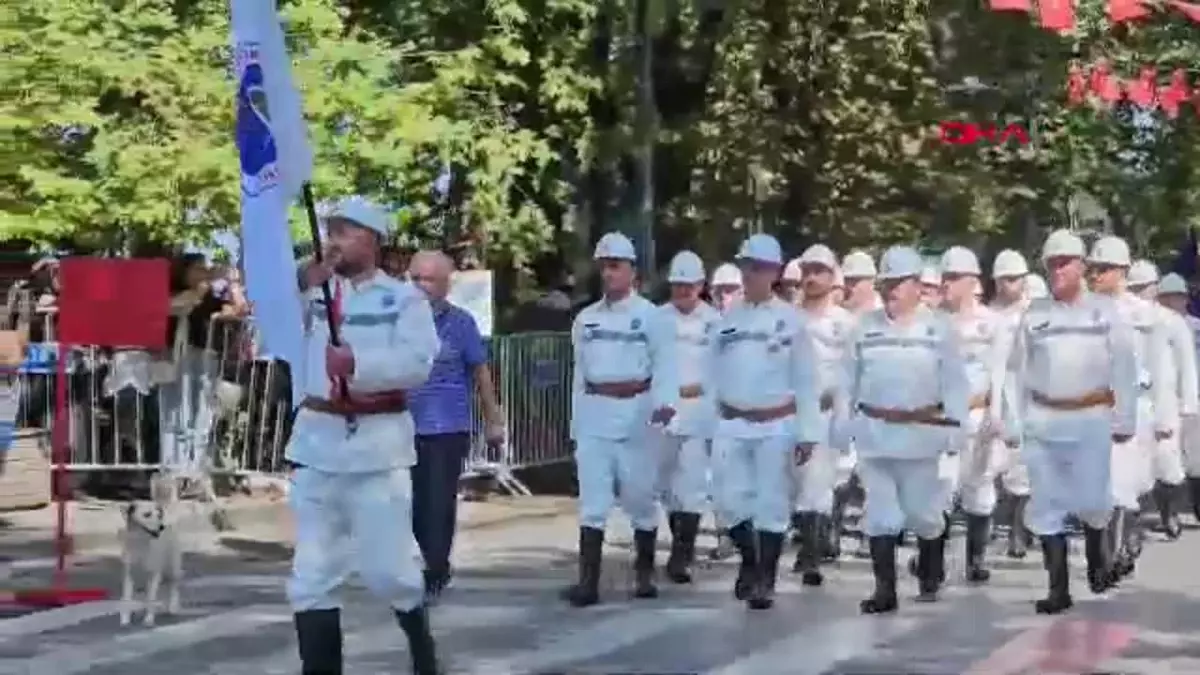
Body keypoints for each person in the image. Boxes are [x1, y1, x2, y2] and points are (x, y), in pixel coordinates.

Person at [291, 196, 441, 674]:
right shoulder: (313, 294)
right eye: (331, 229)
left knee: (390, 572)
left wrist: (360, 365)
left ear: (373, 240)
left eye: (347, 231)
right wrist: (300, 281)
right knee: (312, 574)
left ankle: (422, 652)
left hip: (378, 448)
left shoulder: (404, 298)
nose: (335, 240)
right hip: (317, 443)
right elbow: (271, 319)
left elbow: (418, 364)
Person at [1004, 229, 1138, 615]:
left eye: (1065, 262)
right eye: (1052, 263)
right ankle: (1057, 588)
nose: (1058, 269)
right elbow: (1017, 373)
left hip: (1091, 417)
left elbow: (1124, 367)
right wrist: (1015, 420)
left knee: (1094, 501)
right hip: (1045, 419)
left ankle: (1099, 565)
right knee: (1046, 505)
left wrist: (1124, 415)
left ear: (1081, 266)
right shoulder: (1035, 315)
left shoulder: (1105, 311)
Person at [837, 245, 968, 615]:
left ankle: (931, 566)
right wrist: (841, 426)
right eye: (887, 282)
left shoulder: (938, 328)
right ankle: (885, 590)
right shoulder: (864, 327)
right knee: (880, 516)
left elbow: (955, 383)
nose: (892, 290)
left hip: (921, 436)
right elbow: (847, 380)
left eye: (900, 282)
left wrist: (956, 427)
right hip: (875, 435)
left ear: (916, 286)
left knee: (922, 515)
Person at [564, 232, 677, 607]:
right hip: (596, 412)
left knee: (640, 495)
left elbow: (665, 367)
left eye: (616, 266)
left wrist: (664, 406)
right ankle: (588, 582)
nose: (609, 274)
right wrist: (575, 427)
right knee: (593, 500)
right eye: (604, 267)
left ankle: (644, 573)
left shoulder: (651, 317)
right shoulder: (586, 319)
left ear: (632, 270)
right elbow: (579, 375)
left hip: (637, 412)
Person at [709, 233, 822, 610]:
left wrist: (808, 432)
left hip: (776, 423)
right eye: (746, 266)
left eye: (757, 268)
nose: (749, 274)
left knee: (771, 504)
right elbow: (713, 373)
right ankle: (750, 559)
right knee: (728, 501)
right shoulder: (727, 319)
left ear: (773, 271)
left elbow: (806, 379)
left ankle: (765, 581)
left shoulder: (791, 321)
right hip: (732, 422)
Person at [407, 249, 505, 600]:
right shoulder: (399, 320)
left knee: (439, 501)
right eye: (414, 278)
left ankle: (436, 567)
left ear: (446, 285)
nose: (419, 285)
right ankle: (430, 559)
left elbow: (481, 372)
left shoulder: (462, 323)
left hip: (448, 426)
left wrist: (494, 419)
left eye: (428, 279)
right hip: (404, 426)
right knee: (413, 503)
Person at [1086, 236, 1174, 581]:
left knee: (1123, 487)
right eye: (1092, 268)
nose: (1095, 274)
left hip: (1133, 408)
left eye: (1103, 268)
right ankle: (1112, 550)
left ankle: (1113, 555)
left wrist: (1165, 416)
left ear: (1121, 270)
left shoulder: (1145, 316)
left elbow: (1161, 368)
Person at [938, 246, 1005, 584]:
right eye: (944, 276)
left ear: (972, 281)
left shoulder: (991, 323)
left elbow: (1000, 373)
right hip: (941, 418)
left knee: (979, 487)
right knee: (939, 487)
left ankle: (976, 559)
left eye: (953, 277)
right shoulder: (931, 321)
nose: (946, 283)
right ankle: (932, 559)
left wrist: (998, 414)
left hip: (978, 415)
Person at [789, 244, 855, 585]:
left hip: (826, 413)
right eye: (808, 271)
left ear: (833, 277)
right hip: (787, 412)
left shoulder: (845, 323)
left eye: (820, 271)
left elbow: (851, 373)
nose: (812, 278)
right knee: (790, 482)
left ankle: (811, 554)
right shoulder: (787, 317)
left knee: (817, 484)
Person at [655, 251, 718, 584]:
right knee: (665, 485)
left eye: (688, 286)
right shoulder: (657, 318)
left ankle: (683, 555)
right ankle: (676, 538)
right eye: (677, 286)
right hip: (663, 409)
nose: (682, 292)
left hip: (698, 409)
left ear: (700, 286)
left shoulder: (715, 321)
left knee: (692, 482)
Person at [1128, 260, 1198, 539]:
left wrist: (1188, 403)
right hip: (1132, 402)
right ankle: (1131, 525)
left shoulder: (1172, 322)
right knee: (1132, 467)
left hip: (1165, 400)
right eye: (1134, 288)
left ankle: (1168, 512)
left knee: (1168, 465)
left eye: (1144, 287)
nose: (1139, 293)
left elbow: (1186, 363)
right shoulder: (1120, 319)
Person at [989, 249, 1034, 559]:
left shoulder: (1036, 312)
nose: (1008, 285)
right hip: (995, 394)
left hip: (1028, 395)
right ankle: (991, 524)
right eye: (1003, 279)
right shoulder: (987, 315)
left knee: (1024, 467)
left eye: (1013, 279)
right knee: (992, 465)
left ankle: (1020, 533)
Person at [706, 261, 742, 561]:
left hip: (749, 413)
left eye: (730, 291)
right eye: (720, 291)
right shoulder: (708, 324)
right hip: (712, 413)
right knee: (717, 479)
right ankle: (724, 535)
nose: (725, 297)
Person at [1158, 272, 1200, 520]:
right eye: (1167, 298)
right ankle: (1168, 513)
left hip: (1194, 399)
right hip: (1164, 401)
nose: (1173, 302)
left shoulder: (1196, 328)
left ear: (1186, 299)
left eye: (1177, 297)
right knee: (1166, 461)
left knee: (1196, 459)